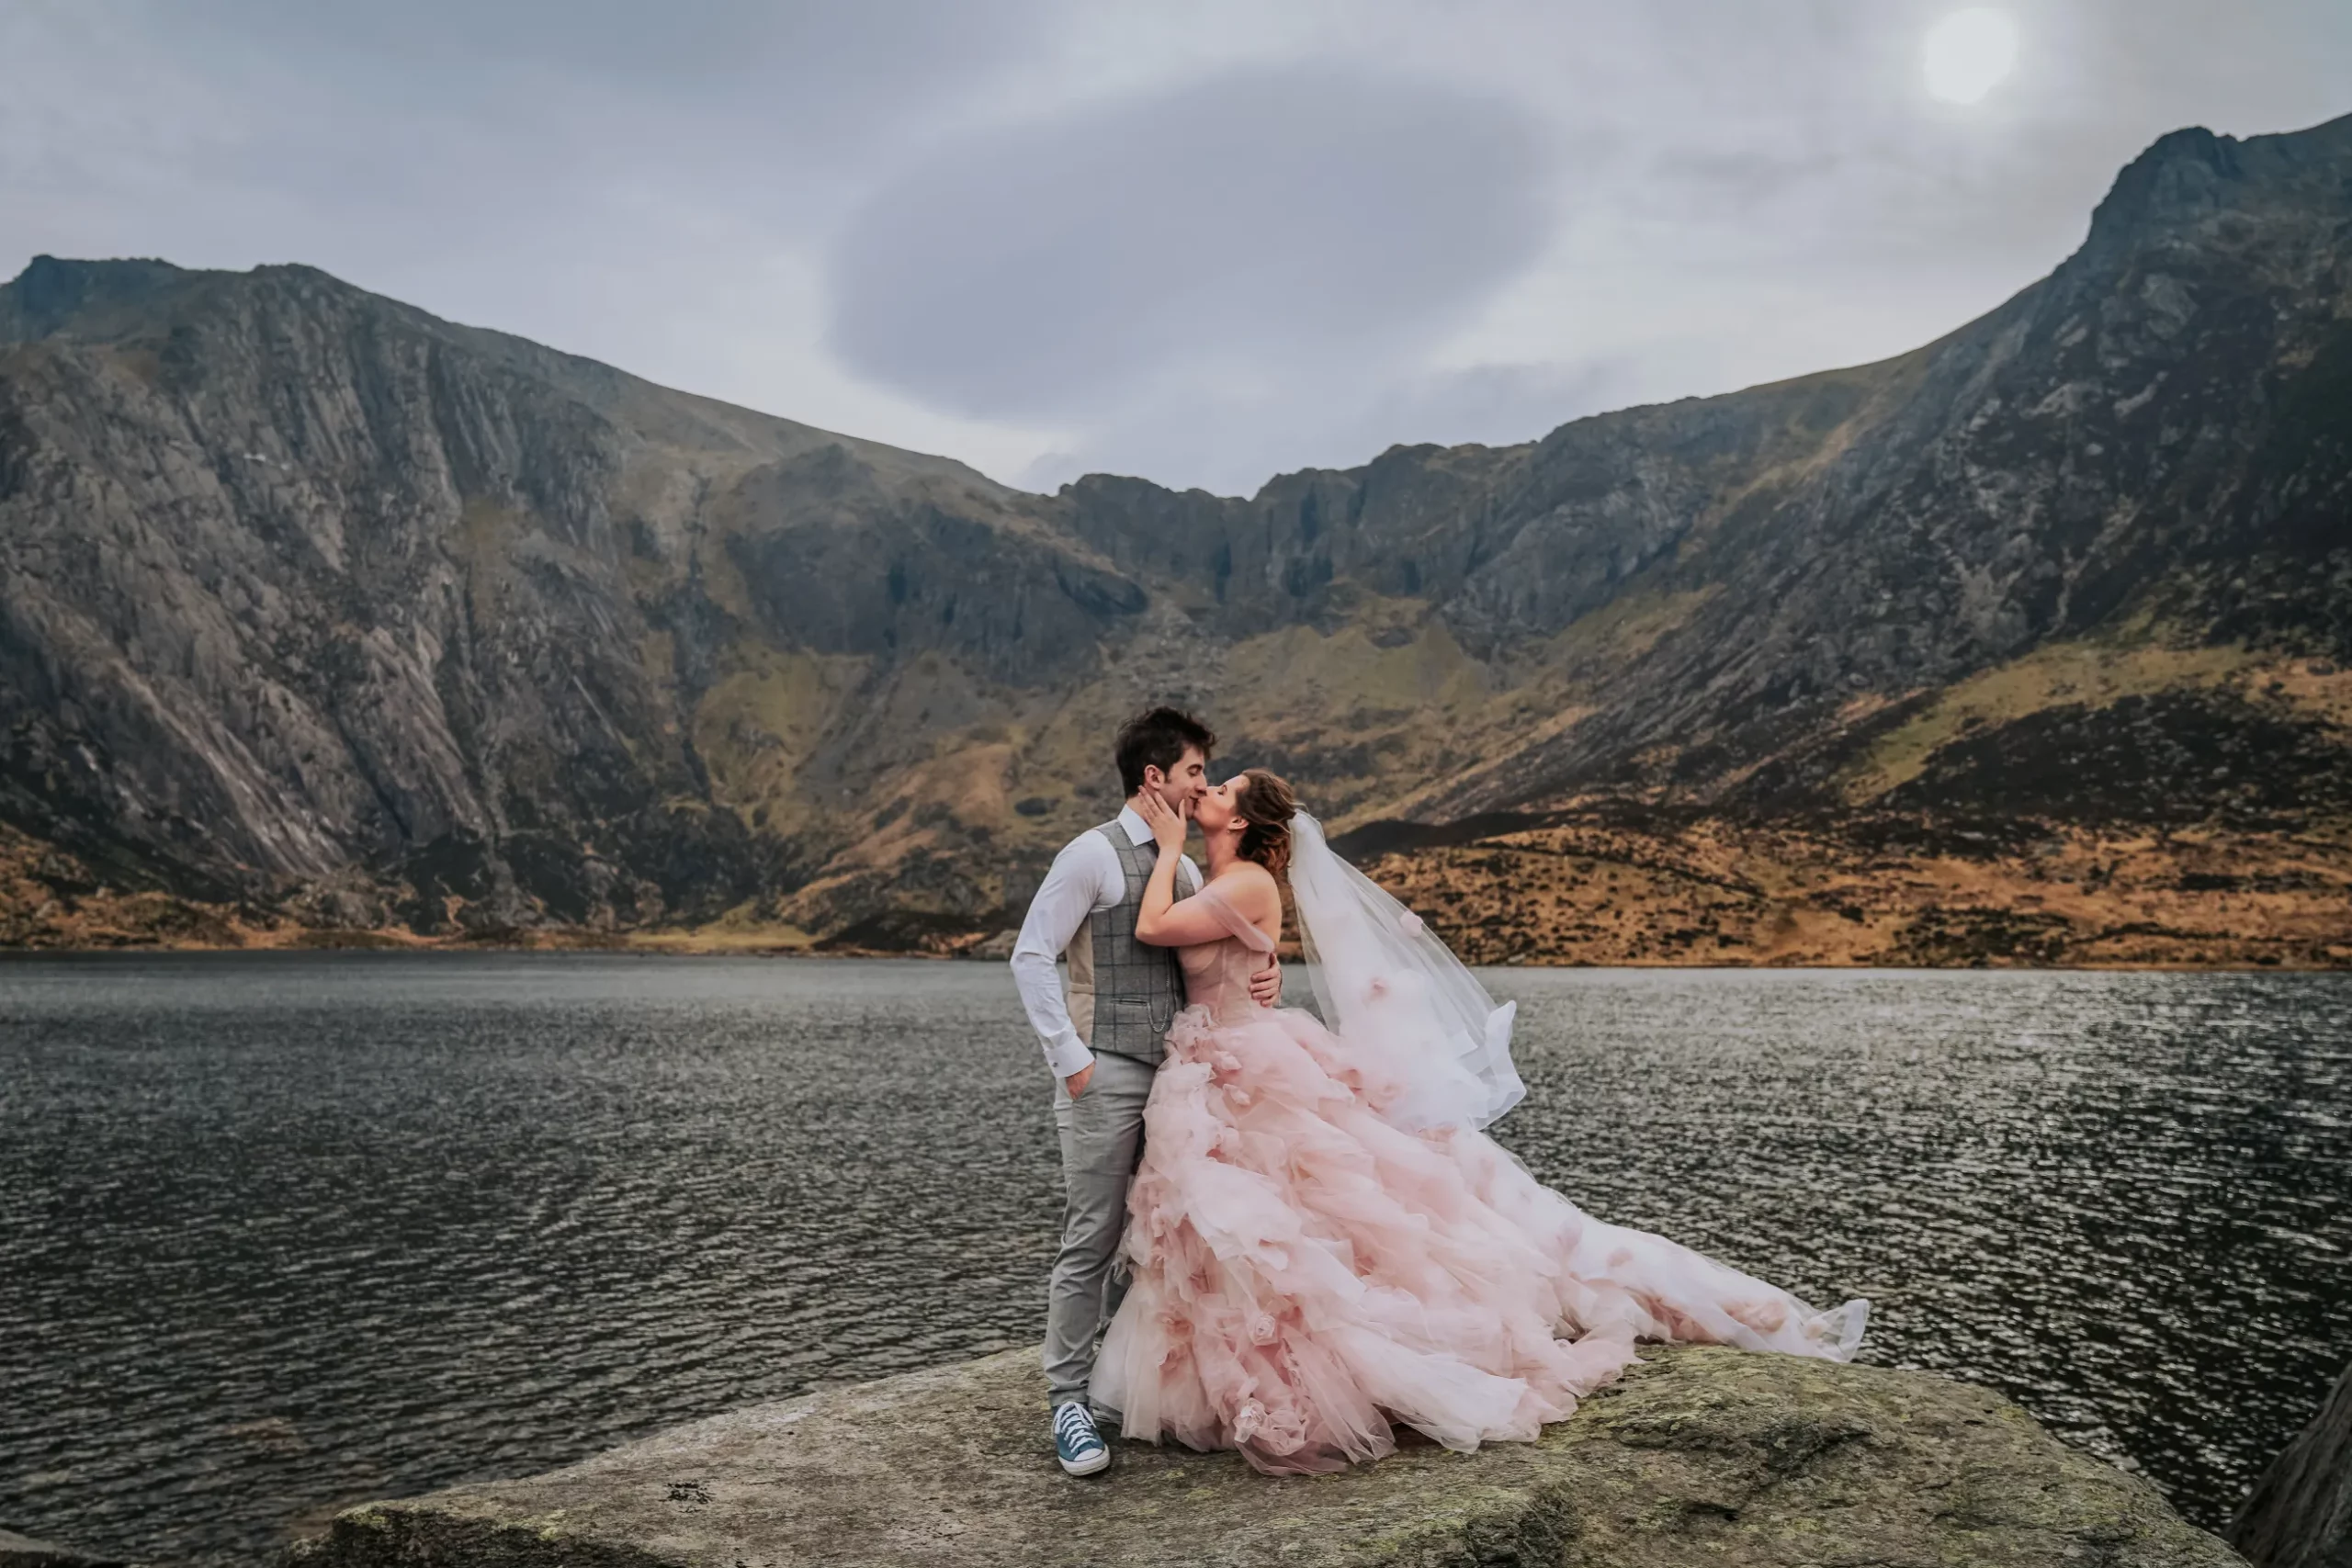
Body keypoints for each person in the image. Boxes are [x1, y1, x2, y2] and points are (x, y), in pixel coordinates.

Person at [1086, 767, 1870, 1475]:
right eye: (1210, 781)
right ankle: (1224, 1368)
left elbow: (1156, 928)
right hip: (1218, 1059)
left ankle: (1350, 1363)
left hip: (1247, 1062)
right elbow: (1199, 944)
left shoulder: (1238, 875)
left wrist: (1165, 846)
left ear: (1247, 822)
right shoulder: (1216, 872)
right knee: (1235, 1222)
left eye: (1222, 788)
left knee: (1286, 1217)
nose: (1209, 791)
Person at [1009, 706, 1282, 1476]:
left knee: (1157, 1242)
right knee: (1093, 1234)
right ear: (1155, 777)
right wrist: (1072, 1059)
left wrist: (1270, 965)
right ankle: (1068, 1401)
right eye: (1196, 771)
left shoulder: (1187, 869)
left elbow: (1216, 950)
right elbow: (1031, 956)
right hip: (1104, 1069)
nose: (1203, 785)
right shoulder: (1087, 856)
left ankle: (1124, 1389)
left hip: (1176, 1079)